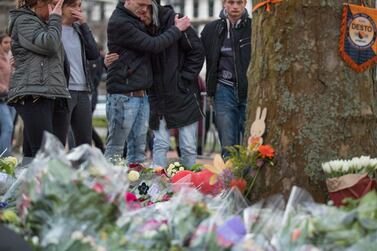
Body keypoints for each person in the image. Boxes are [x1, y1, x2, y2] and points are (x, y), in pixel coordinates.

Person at [104, 0, 191, 164]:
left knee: (138, 150)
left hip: (141, 94)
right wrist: (177, 29)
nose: (144, 9)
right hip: (124, 95)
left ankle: (134, 187)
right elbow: (153, 45)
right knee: (115, 149)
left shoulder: (135, 19)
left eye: (147, 5)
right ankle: (106, 187)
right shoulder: (120, 22)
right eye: (141, 4)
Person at [7, 0, 71, 163]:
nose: (58, 9)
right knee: (44, 153)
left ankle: (23, 187)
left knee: (42, 155)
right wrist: (56, 19)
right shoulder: (24, 20)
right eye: (54, 4)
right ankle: (38, 188)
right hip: (35, 93)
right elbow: (49, 45)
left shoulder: (46, 25)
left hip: (54, 92)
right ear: (40, 3)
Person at [146, 0, 204, 168]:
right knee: (160, 144)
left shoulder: (176, 20)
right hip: (157, 96)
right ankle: (158, 188)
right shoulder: (140, 25)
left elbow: (197, 51)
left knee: (188, 146)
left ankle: (190, 186)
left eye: (144, 9)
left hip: (182, 94)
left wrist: (184, 78)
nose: (141, 12)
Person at [201, 0, 251, 157]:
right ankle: (230, 181)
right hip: (223, 90)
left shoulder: (254, 27)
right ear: (224, 3)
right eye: (231, 2)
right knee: (228, 145)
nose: (235, 6)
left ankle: (249, 181)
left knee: (252, 143)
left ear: (245, 3)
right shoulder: (211, 29)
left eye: (239, 2)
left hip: (250, 90)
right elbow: (196, 55)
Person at [61, 0, 99, 147]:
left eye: (79, 6)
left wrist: (84, 25)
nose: (77, 9)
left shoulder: (79, 29)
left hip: (83, 91)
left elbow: (94, 53)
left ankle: (81, 169)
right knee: (60, 137)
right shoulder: (54, 29)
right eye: (72, 6)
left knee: (84, 140)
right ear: (62, 7)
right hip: (64, 90)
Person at [0, 32, 16, 156]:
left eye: (10, 42)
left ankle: (6, 156)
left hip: (11, 97)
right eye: (5, 42)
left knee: (10, 128)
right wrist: (3, 88)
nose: (8, 45)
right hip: (1, 98)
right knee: (8, 127)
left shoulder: (10, 56)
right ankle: (4, 158)